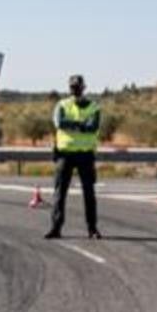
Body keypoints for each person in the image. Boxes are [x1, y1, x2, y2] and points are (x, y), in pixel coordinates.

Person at [44, 74, 102, 239]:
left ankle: (92, 228)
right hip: (65, 155)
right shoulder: (61, 105)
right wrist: (81, 125)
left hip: (85, 155)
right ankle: (56, 228)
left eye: (77, 87)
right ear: (69, 88)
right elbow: (60, 123)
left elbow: (93, 127)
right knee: (59, 193)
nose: (75, 90)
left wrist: (73, 125)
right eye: (72, 87)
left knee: (89, 193)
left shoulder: (94, 107)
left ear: (84, 87)